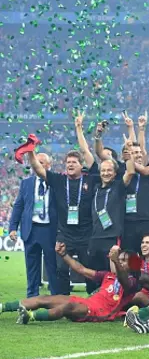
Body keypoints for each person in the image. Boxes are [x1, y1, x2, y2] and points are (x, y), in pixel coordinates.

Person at [26, 113, 99, 294]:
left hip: (86, 234)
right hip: (64, 234)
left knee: (89, 270)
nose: (70, 165)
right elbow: (38, 169)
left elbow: (87, 153)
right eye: (68, 162)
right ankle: (63, 301)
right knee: (60, 269)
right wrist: (30, 151)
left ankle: (94, 302)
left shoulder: (91, 179)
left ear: (81, 165)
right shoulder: (59, 180)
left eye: (74, 162)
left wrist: (79, 129)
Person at [0, 243, 137, 323]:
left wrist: (115, 262)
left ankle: (30, 316)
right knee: (45, 298)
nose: (120, 262)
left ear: (131, 264)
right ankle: (3, 307)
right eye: (120, 259)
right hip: (86, 302)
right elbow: (81, 269)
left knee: (68, 306)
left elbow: (124, 280)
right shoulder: (108, 276)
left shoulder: (132, 282)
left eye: (124, 260)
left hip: (100, 312)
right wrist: (64, 254)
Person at [9, 152, 60, 297]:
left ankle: (55, 298)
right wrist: (13, 227)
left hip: (49, 230)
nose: (37, 165)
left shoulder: (55, 181)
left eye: (42, 162)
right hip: (30, 230)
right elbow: (18, 206)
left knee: (52, 266)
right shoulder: (26, 183)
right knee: (32, 267)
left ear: (48, 166)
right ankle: (32, 297)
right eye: (36, 162)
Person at [89, 139, 136, 275]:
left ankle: (113, 295)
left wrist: (128, 154)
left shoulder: (118, 186)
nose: (106, 173)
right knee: (95, 273)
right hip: (96, 236)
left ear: (115, 173)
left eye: (109, 170)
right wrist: (97, 137)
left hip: (112, 235)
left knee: (113, 271)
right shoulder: (96, 188)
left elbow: (131, 172)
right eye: (103, 171)